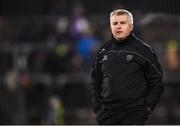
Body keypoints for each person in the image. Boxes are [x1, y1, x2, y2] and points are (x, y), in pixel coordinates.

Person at [90, 9, 164, 125]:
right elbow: (95, 79)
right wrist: (97, 104)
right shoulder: (104, 50)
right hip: (107, 115)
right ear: (110, 26)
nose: (118, 26)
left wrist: (148, 107)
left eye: (123, 23)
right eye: (115, 23)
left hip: (133, 115)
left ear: (131, 26)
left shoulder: (144, 51)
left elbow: (156, 81)